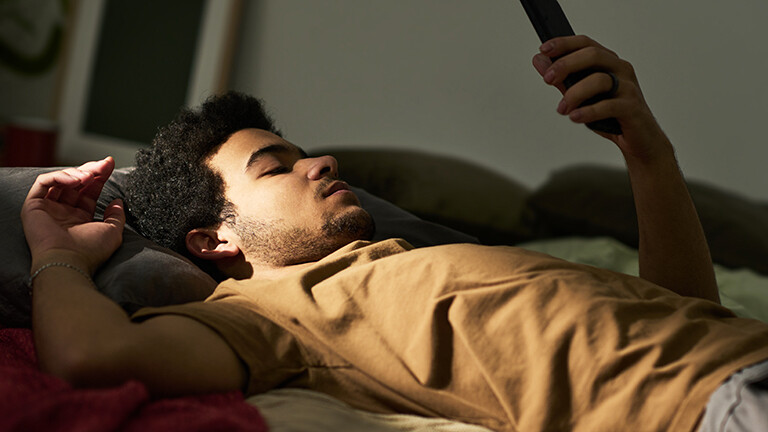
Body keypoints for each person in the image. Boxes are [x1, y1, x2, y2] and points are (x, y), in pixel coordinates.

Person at [20, 36, 768, 431]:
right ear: (216, 240)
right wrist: (55, 248)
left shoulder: (407, 261)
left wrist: (648, 152)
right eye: (274, 166)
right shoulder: (268, 315)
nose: (321, 161)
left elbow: (684, 312)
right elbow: (94, 355)